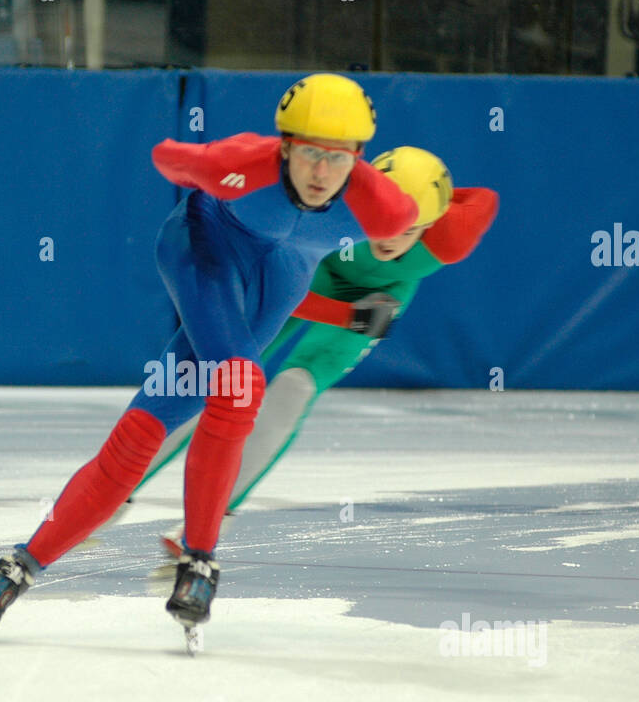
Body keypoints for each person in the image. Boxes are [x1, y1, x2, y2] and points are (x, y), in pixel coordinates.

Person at [0, 74, 417, 638]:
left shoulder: (386, 209)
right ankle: (200, 560)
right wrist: (202, 175)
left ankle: (18, 567)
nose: (320, 173)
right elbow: (166, 156)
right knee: (240, 383)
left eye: (336, 158)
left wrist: (348, 315)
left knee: (141, 437)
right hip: (203, 254)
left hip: (277, 281)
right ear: (284, 147)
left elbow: (462, 219)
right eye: (306, 154)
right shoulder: (244, 163)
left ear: (359, 157)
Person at [135, 147, 499, 553]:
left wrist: (433, 192)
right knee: (223, 372)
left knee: (295, 386)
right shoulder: (331, 211)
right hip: (313, 277)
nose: (391, 238)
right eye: (384, 221)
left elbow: (486, 198)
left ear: (432, 226)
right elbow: (288, 292)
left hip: (378, 297)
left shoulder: (451, 238)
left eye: (410, 228)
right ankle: (122, 480)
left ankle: (212, 518)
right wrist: (347, 315)